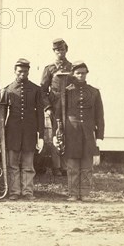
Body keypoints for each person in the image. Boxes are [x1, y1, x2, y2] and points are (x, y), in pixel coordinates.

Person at [55, 61, 105, 202]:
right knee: (72, 165)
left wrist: (99, 136)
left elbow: (99, 115)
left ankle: (85, 193)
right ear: (73, 74)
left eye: (83, 73)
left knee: (87, 164)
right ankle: (73, 193)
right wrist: (56, 133)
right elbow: (58, 114)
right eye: (77, 73)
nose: (80, 76)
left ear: (86, 73)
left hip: (88, 133)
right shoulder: (66, 92)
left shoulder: (94, 92)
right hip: (72, 132)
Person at [0, 59, 45, 200]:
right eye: (19, 71)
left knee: (28, 164)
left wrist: (41, 135)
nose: (22, 74)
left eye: (25, 71)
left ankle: (27, 191)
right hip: (12, 132)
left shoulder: (36, 89)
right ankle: (14, 192)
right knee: (12, 164)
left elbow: (40, 114)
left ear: (28, 72)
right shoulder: (8, 89)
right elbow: (1, 114)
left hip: (30, 132)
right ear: (15, 72)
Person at [40, 38, 72, 176]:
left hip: (70, 106)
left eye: (62, 49)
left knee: (69, 134)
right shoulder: (50, 68)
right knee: (55, 134)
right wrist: (47, 106)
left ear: (66, 50)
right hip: (55, 106)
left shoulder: (72, 67)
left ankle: (66, 166)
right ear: (54, 51)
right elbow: (42, 90)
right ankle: (56, 166)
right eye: (57, 50)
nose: (60, 52)